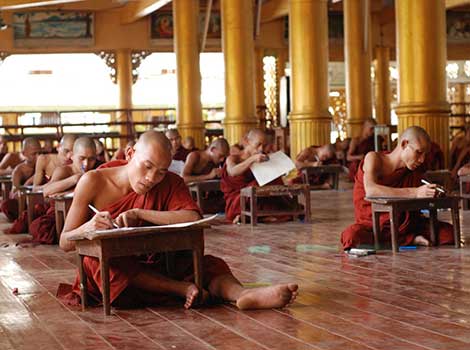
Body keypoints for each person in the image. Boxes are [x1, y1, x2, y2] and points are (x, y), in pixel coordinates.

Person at [57, 131, 298, 310]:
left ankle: (243, 295)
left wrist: (140, 214)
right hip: (117, 270)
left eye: (161, 171)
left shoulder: (169, 181)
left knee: (205, 264)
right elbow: (65, 242)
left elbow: (191, 217)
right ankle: (179, 289)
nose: (152, 178)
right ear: (130, 154)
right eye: (147, 166)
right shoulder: (93, 182)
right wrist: (88, 227)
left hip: (156, 259)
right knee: (98, 261)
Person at [340, 126, 455, 250]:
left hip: (406, 225)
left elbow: (418, 203)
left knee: (449, 234)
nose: (422, 159)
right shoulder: (374, 158)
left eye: (424, 155)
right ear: (404, 144)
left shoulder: (413, 170)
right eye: (419, 152)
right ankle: (408, 240)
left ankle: (402, 239)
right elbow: (371, 191)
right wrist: (415, 192)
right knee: (352, 237)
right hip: (373, 225)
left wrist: (432, 193)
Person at [28, 137, 97, 244]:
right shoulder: (64, 171)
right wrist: (75, 179)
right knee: (41, 228)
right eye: (81, 158)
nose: (86, 164)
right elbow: (47, 191)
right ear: (72, 156)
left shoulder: (97, 169)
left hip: (86, 213)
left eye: (91, 159)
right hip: (63, 216)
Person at [221, 129, 293, 224]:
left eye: (264, 145)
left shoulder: (263, 158)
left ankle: (253, 217)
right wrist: (252, 159)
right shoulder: (234, 158)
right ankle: (254, 216)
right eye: (258, 144)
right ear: (247, 141)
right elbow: (232, 172)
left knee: (285, 207)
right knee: (254, 186)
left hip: (260, 197)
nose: (261, 149)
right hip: (239, 198)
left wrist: (277, 169)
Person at [0, 137, 41, 222]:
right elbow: (15, 193)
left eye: (39, 153)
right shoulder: (19, 170)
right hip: (24, 202)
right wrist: (28, 183)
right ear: (24, 153)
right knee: (6, 205)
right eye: (34, 154)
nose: (38, 157)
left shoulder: (43, 164)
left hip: (39, 200)